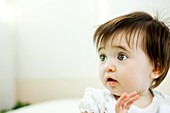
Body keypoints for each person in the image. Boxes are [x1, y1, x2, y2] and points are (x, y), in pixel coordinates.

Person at [79, 11, 170, 113]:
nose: (107, 66)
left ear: (156, 68)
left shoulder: (165, 105)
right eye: (103, 57)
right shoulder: (98, 102)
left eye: (121, 57)